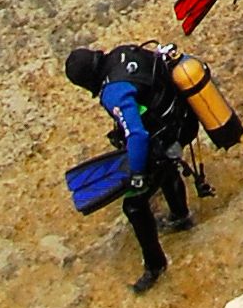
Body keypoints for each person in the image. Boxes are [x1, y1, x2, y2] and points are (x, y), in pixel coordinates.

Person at [64, 40, 194, 294]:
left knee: (133, 205)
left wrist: (137, 175)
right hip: (180, 118)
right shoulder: (121, 54)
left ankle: (155, 266)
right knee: (166, 168)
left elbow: (137, 134)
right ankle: (181, 217)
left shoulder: (112, 91)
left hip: (164, 135)